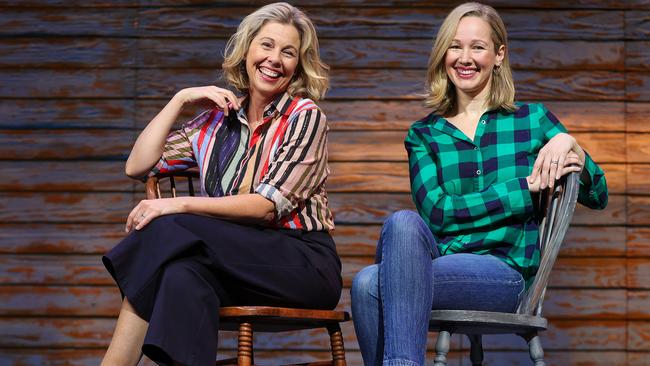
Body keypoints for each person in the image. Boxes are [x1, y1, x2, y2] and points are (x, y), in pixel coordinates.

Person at [350, 2, 608, 366]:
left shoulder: (532, 121)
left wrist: (572, 145)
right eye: (455, 46)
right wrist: (522, 192)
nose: (464, 58)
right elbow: (437, 214)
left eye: (477, 47)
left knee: (369, 284)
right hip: (442, 261)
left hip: (502, 273)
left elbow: (599, 194)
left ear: (499, 54)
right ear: (443, 54)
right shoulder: (424, 134)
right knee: (402, 223)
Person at [100, 3, 341, 365]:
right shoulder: (214, 123)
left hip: (302, 264)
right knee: (181, 275)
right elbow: (137, 165)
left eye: (288, 52)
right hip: (231, 258)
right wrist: (179, 99)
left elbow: (265, 206)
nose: (274, 59)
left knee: (170, 226)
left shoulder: (304, 118)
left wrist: (175, 204)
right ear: (246, 51)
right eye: (266, 45)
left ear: (297, 65)